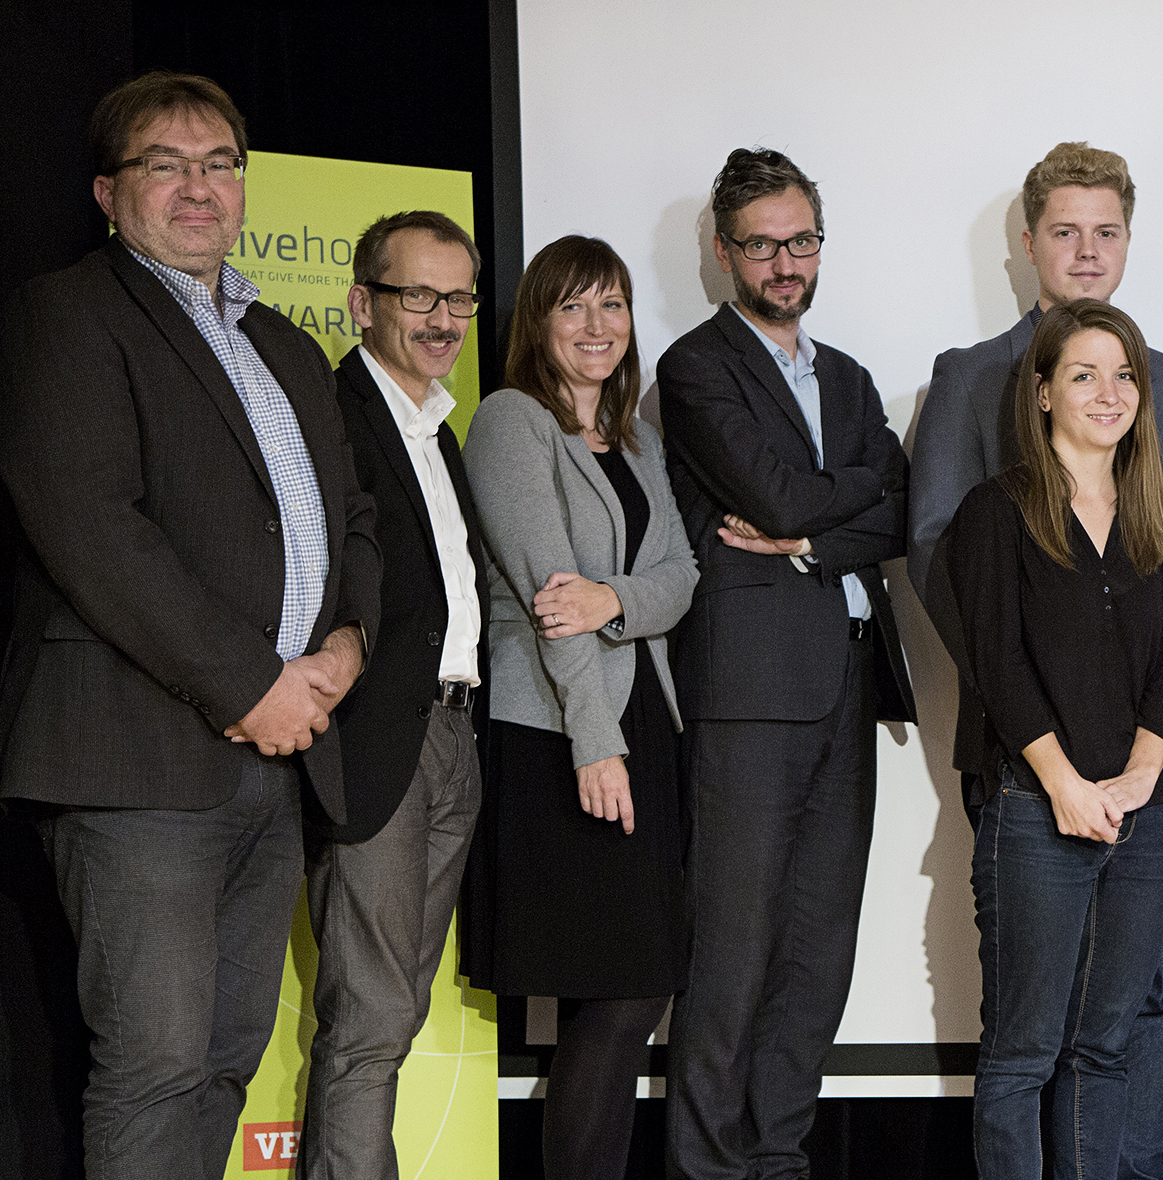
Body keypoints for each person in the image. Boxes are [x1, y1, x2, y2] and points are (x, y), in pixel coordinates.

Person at [0, 71, 379, 1178]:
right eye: (165, 166)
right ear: (109, 194)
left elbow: (353, 517)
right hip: (139, 759)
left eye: (219, 164)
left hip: (283, 758)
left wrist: (347, 646)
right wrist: (251, 686)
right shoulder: (68, 313)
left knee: (224, 1059)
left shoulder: (284, 344)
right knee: (156, 1064)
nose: (199, 187)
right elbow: (91, 526)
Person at [908, 141, 1163, 1180]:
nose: (1087, 251)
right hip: (1035, 772)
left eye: (1106, 231)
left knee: (1130, 1014)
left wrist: (1141, 762)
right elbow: (952, 579)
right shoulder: (975, 397)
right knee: (1029, 1035)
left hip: (1142, 778)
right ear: (1028, 242)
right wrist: (1047, 747)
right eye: (1065, 231)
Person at [658, 148, 917, 1180]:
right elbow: (775, 493)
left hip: (848, 681)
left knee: (818, 951)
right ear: (725, 252)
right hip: (749, 692)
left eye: (800, 240)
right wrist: (839, 498)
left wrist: (812, 533)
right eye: (761, 245)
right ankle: (708, 1167)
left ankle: (778, 1158)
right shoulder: (695, 367)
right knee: (732, 951)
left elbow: (898, 505)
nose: (784, 262)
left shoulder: (846, 377)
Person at [459, 235, 699, 1180]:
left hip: (646, 724)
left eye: (613, 304)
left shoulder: (638, 438)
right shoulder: (512, 421)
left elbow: (681, 578)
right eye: (573, 306)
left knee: (634, 990)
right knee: (616, 992)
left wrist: (613, 598)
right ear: (538, 322)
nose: (597, 326)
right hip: (565, 729)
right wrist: (594, 743)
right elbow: (548, 598)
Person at [944, 299, 1163, 1180]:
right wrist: (1064, 785)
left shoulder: (1158, 514)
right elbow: (997, 664)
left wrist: (1142, 774)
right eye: (1084, 375)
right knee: (1022, 1053)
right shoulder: (994, 510)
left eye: (1124, 375)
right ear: (1043, 391)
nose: (1108, 392)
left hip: (1143, 815)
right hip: (1035, 808)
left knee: (1106, 1047)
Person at [302, 210, 489, 1180]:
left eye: (458, 297)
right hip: (378, 742)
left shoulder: (436, 427)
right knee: (370, 1017)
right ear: (362, 302)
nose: (443, 318)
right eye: (419, 294)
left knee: (396, 1012)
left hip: (451, 736)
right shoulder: (334, 417)